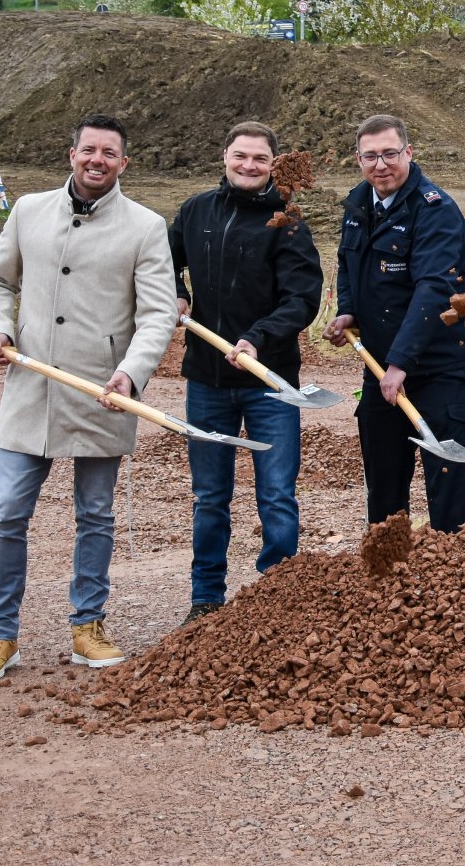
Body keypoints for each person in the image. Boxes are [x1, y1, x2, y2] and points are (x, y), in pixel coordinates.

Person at [0, 114, 175, 683]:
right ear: (72, 154)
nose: (97, 160)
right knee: (8, 513)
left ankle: (88, 625)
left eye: (110, 153)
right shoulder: (28, 211)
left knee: (96, 515)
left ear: (123, 163)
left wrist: (131, 374)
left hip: (102, 392)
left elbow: (158, 315)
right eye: (89, 150)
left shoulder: (145, 226)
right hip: (31, 388)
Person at [169, 121, 324, 624]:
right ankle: (206, 599)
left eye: (260, 159)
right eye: (241, 156)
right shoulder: (196, 213)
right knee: (210, 496)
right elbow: (158, 262)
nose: (249, 165)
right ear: (225, 156)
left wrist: (259, 336)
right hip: (208, 381)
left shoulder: (288, 223)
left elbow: (302, 299)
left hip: (269, 384)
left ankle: (277, 597)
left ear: (273, 164)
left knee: (276, 494)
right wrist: (175, 292)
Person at [322, 114, 465, 532]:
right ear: (358, 159)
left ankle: (449, 574)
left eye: (390, 154)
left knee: (445, 479)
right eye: (370, 156)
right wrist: (349, 309)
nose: (381, 165)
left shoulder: (436, 211)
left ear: (408, 153)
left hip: (440, 368)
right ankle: (390, 575)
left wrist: (400, 363)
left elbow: (434, 289)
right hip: (382, 366)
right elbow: (347, 262)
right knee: (384, 482)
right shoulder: (359, 203)